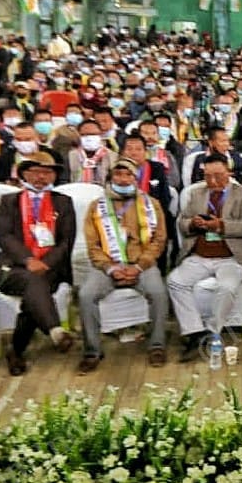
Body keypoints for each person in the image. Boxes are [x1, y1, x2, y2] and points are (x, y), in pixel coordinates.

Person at [78, 158, 170, 372]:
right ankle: (92, 351)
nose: (123, 178)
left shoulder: (151, 204)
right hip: (107, 266)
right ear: (111, 178)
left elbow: (159, 240)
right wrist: (111, 268)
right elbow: (92, 245)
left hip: (141, 264)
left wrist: (139, 266)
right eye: (118, 174)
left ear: (135, 178)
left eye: (128, 174)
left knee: (158, 292)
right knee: (85, 295)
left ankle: (157, 345)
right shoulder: (96, 207)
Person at [0, 154, 76, 375]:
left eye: (47, 172)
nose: (40, 177)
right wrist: (28, 260)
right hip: (12, 266)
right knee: (34, 284)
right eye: (35, 171)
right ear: (23, 174)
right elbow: (5, 236)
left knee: (34, 292)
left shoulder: (63, 202)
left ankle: (16, 351)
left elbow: (66, 241)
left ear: (55, 175)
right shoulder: (9, 201)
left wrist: (45, 263)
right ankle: (55, 329)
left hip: (50, 267)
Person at [167, 154, 242, 361]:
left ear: (229, 173)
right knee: (174, 281)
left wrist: (220, 226)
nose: (213, 181)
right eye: (207, 176)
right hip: (200, 254)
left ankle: (211, 330)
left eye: (218, 175)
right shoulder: (196, 194)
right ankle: (193, 331)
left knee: (226, 287)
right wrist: (192, 224)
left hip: (230, 257)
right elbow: (182, 223)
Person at [68, 119, 114, 185]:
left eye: (93, 134)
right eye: (84, 135)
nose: (89, 138)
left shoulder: (112, 156)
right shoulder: (70, 156)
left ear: (101, 135)